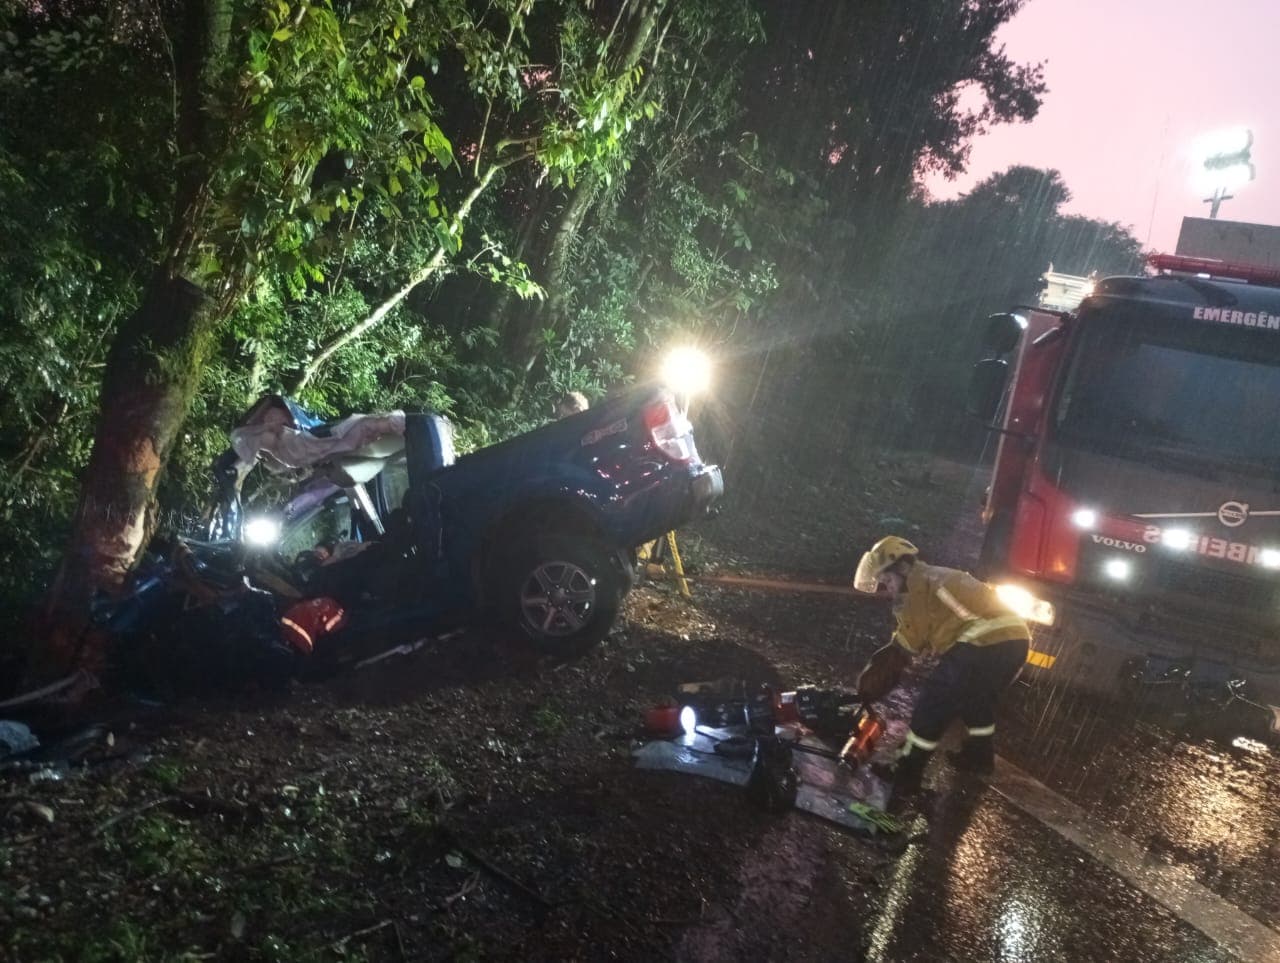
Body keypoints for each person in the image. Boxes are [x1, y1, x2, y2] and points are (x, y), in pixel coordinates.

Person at [852, 535, 1029, 795]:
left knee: (935, 700)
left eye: (887, 580)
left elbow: (907, 645)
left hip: (984, 640)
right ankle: (979, 756)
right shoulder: (934, 577)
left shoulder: (917, 587)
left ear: (902, 568)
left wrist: (871, 681)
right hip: (1015, 642)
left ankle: (907, 770)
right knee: (975, 699)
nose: (887, 589)